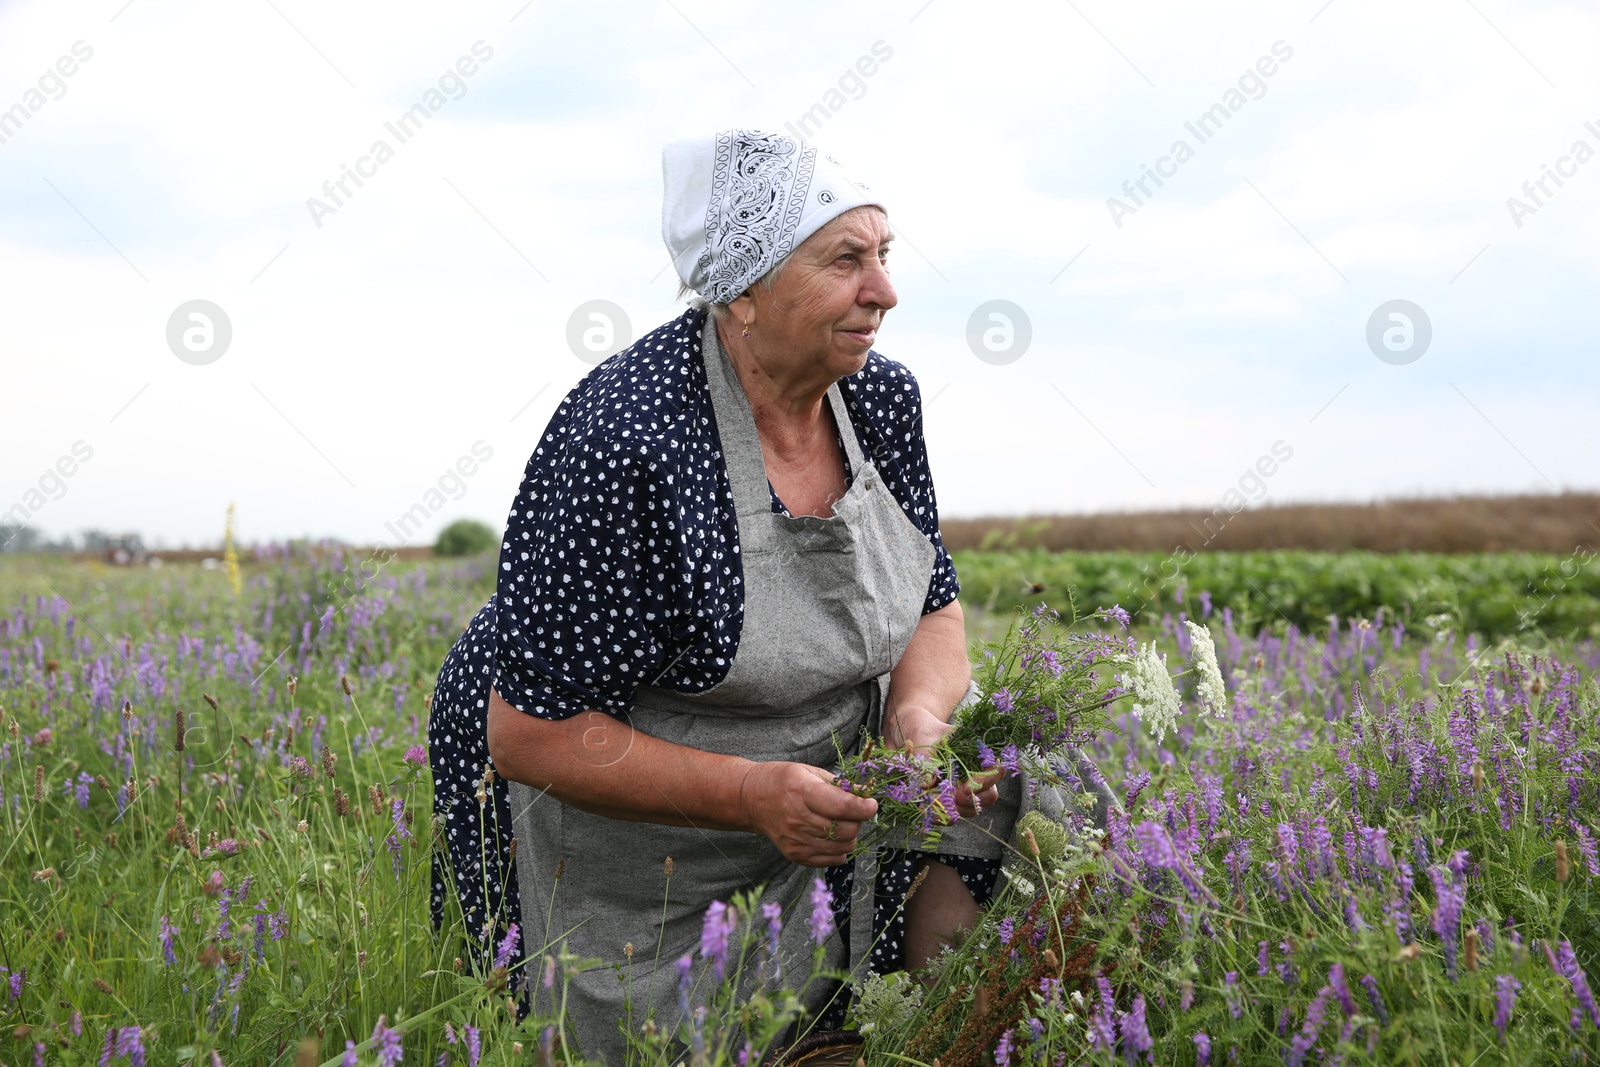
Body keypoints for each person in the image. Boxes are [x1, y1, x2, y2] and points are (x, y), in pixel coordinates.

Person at [427, 129, 1015, 1063]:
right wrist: (751, 793)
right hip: (650, 844)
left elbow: (930, 603)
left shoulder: (881, 404)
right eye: (846, 262)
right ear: (745, 290)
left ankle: (923, 1026)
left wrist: (918, 723)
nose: (886, 293)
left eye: (885, 257)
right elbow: (531, 733)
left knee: (1035, 789)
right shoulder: (629, 441)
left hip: (827, 808)